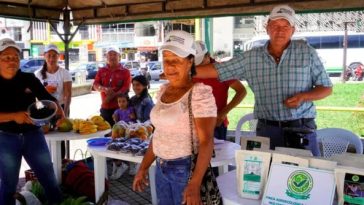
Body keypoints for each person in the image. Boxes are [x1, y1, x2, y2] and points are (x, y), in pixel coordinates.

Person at [194, 5, 333, 156]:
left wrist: (303, 97)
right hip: (267, 130)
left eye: (286, 26)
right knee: (264, 176)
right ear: (267, 28)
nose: (280, 31)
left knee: (304, 175)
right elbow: (218, 70)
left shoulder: (307, 52)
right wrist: (182, 72)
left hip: (301, 129)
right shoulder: (251, 57)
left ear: (293, 30)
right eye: (275, 25)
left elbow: (326, 87)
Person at [133, 30, 219, 205]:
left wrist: (194, 184)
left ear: (189, 62)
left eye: (176, 61)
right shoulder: (164, 90)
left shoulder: (199, 93)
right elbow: (159, 135)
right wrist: (143, 167)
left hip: (185, 170)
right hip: (161, 168)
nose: (170, 67)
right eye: (166, 60)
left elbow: (206, 142)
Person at [0, 38, 64, 205]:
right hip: (5, 138)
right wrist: (14, 116)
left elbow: (46, 98)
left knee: (49, 180)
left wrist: (59, 112)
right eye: (6, 57)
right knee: (8, 186)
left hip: (33, 135)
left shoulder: (28, 78)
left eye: (15, 57)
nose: (11, 61)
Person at [193, 40, 246, 141]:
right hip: (194, 123)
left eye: (201, 62)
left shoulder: (221, 70)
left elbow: (242, 91)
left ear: (208, 55)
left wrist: (223, 113)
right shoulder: (191, 70)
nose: (198, 67)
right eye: (195, 64)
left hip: (217, 124)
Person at [35, 44, 72, 159]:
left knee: (60, 137)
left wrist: (64, 113)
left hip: (60, 108)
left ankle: (61, 163)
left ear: (58, 57)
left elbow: (68, 95)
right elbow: (36, 97)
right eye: (49, 55)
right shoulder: (38, 74)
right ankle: (48, 163)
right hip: (44, 109)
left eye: (54, 56)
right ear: (44, 56)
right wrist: (40, 113)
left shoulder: (64, 73)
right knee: (45, 137)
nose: (51, 59)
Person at [93, 47, 131, 126]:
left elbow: (126, 87)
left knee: (120, 132)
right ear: (106, 57)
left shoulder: (125, 72)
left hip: (120, 108)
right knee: (105, 132)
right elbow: (95, 85)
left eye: (114, 54)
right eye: (110, 55)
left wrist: (113, 95)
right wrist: (104, 89)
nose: (112, 57)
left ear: (119, 57)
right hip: (105, 107)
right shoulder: (101, 71)